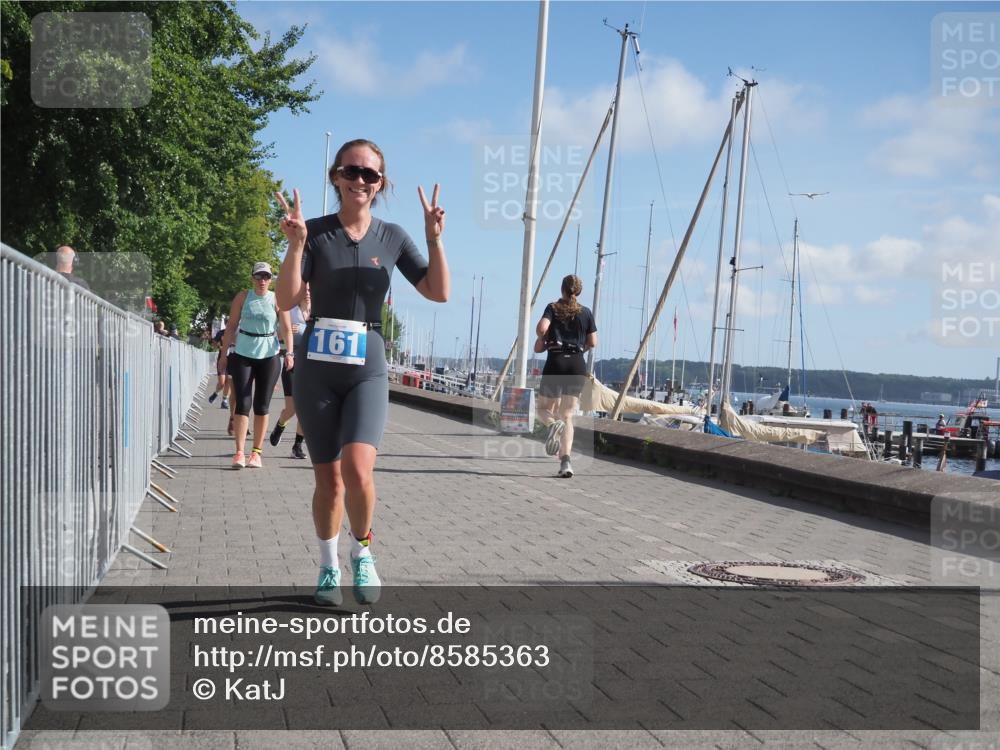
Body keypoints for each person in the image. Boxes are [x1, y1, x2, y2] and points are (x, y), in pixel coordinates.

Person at [275, 138, 449, 607]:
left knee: (357, 468)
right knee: (328, 480)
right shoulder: (314, 232)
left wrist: (434, 239)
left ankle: (363, 551)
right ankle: (328, 566)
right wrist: (295, 246)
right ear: (335, 177)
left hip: (367, 365)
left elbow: (437, 292)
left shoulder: (392, 237)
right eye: (351, 171)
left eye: (369, 174)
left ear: (380, 183)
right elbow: (286, 299)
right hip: (317, 367)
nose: (360, 180)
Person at [218, 262, 293, 469]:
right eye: (259, 276)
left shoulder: (277, 299)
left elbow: (287, 328)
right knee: (243, 402)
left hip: (269, 355)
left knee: (262, 405)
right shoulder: (243, 297)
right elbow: (231, 327)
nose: (262, 281)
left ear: (271, 280)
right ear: (252, 278)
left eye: (266, 277)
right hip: (243, 353)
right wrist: (224, 355)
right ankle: (239, 452)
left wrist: (290, 353)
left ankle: (256, 453)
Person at [533, 274, 597, 479]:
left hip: (556, 362)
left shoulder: (553, 308)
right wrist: (578, 349)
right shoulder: (586, 312)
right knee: (568, 415)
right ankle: (566, 462)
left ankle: (553, 425)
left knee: (542, 409)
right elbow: (593, 342)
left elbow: (542, 328)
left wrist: (544, 338)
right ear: (579, 291)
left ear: (562, 289)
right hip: (576, 364)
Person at [269, 287, 311, 459]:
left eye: (310, 290)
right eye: (305, 290)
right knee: (292, 407)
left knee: (306, 408)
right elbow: (276, 335)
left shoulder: (319, 311)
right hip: (292, 362)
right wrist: (287, 331)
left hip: (312, 365)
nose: (308, 293)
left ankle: (297, 446)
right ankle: (280, 425)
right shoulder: (290, 310)